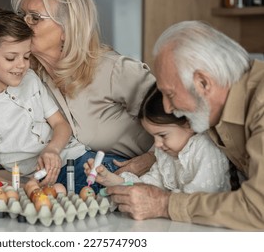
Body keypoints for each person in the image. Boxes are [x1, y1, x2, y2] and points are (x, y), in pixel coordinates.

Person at [0, 0, 156, 184]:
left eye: (35, 17)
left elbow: (181, 116)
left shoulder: (113, 70)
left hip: (145, 177)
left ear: (66, 29)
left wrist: (149, 159)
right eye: (22, 14)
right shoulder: (25, 73)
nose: (23, 23)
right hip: (82, 176)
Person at [107, 20, 264, 230]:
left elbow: (258, 209)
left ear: (203, 83)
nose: (167, 108)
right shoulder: (212, 112)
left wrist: (163, 204)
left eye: (169, 94)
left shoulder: (260, 104)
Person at [0, 8, 126, 194]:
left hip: (84, 158)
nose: (21, 65)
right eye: (10, 58)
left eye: (26, 56)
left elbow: (60, 124)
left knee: (133, 178)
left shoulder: (30, 79)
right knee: (124, 191)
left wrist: (53, 150)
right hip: (51, 180)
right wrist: (27, 189)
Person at [84, 83, 231, 194]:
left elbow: (198, 200)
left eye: (162, 135)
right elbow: (150, 185)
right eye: (153, 136)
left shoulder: (205, 150)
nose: (157, 144)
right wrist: (114, 181)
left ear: (190, 123)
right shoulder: (166, 153)